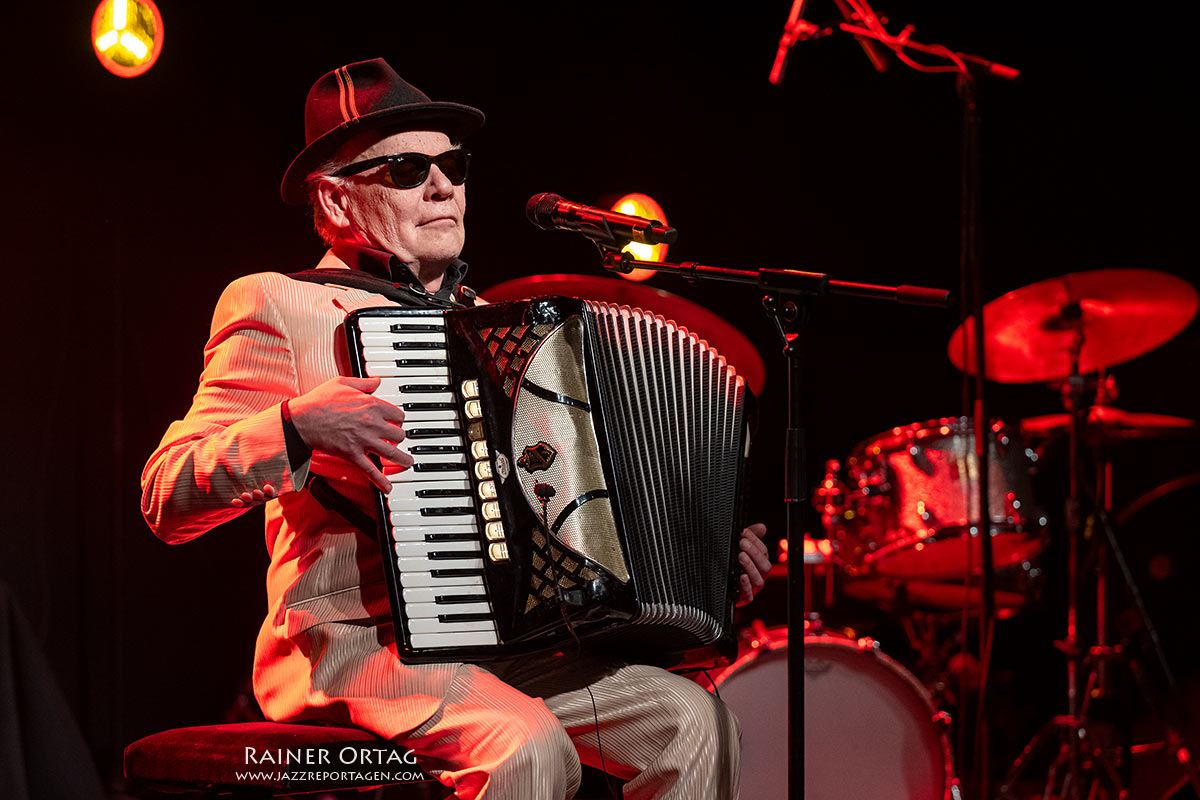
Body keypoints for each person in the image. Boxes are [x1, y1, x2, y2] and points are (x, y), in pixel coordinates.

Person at [141, 57, 771, 800]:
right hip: (354, 645)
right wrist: (296, 428)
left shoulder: (502, 334)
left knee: (697, 721)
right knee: (526, 747)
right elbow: (166, 496)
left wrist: (704, 550)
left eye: (454, 164)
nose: (443, 186)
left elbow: (581, 501)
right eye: (408, 168)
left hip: (508, 648)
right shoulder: (276, 304)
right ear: (336, 198)